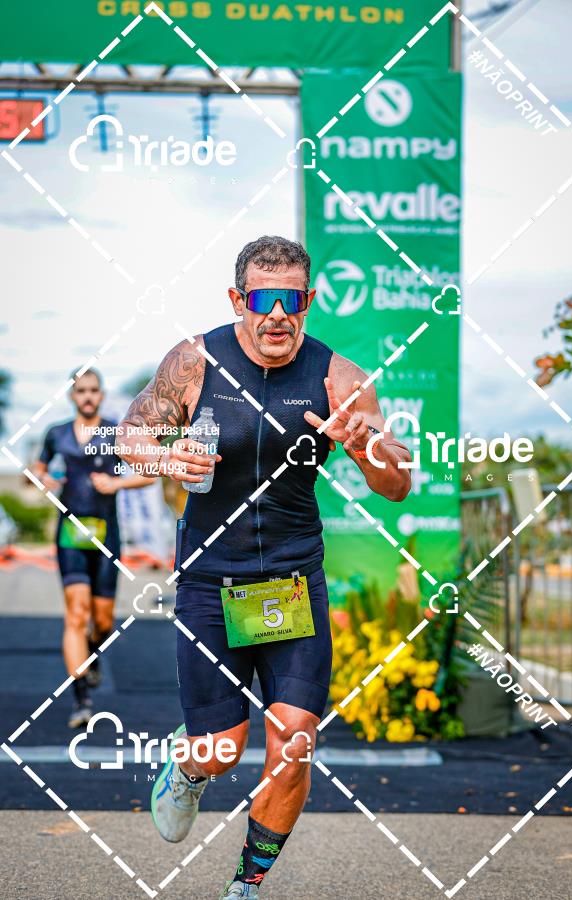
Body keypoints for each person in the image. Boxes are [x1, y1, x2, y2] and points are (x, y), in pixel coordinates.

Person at [116, 236, 411, 898]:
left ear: (308, 301)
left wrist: (362, 450)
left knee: (295, 740)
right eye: (262, 298)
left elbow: (398, 484)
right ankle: (189, 769)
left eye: (292, 299)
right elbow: (128, 437)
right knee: (221, 749)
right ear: (237, 299)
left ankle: (246, 883)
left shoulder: (341, 378)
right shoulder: (193, 361)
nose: (277, 314)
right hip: (209, 580)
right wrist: (165, 456)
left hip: (290, 579)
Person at [34, 369, 152, 728]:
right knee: (76, 613)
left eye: (93, 390)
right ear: (72, 395)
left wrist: (117, 484)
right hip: (70, 534)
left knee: (101, 621)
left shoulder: (116, 433)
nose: (87, 396)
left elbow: (149, 472)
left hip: (105, 536)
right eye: (81, 390)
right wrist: (44, 479)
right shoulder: (56, 434)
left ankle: (93, 650)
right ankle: (81, 698)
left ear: (101, 395)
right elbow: (37, 470)